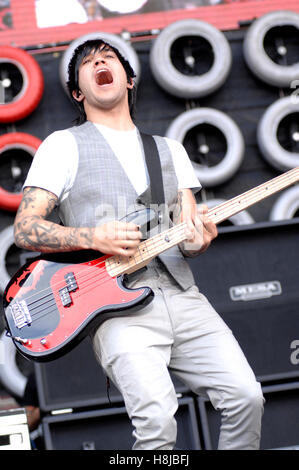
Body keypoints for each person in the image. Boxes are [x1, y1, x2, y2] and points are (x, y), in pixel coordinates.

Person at [14, 39, 264, 450]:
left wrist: (198, 241)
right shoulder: (63, 146)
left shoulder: (171, 151)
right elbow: (25, 228)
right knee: (157, 426)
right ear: (79, 92)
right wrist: (92, 237)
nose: (99, 62)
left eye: (108, 57)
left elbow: (188, 234)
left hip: (182, 297)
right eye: (88, 62)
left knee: (245, 396)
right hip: (114, 306)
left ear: (128, 79)